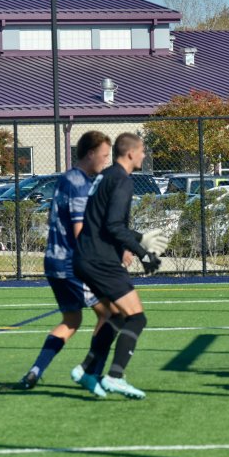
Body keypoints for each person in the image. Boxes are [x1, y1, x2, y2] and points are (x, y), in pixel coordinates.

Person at [16, 131, 115, 393]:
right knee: (111, 315)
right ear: (91, 153)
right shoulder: (81, 184)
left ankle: (35, 371)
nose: (106, 161)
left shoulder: (65, 179)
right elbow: (80, 230)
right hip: (74, 265)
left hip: (53, 263)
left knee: (71, 320)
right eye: (104, 155)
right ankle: (90, 373)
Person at [73, 132, 168, 399]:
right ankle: (114, 376)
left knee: (117, 316)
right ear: (130, 153)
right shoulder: (122, 181)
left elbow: (107, 223)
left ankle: (89, 371)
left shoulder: (106, 177)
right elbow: (114, 226)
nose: (144, 155)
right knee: (137, 317)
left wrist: (140, 239)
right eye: (142, 151)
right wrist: (143, 253)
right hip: (100, 260)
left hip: (85, 258)